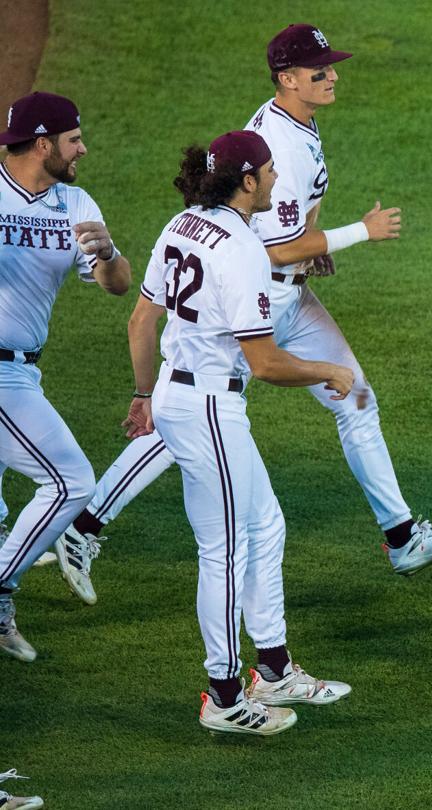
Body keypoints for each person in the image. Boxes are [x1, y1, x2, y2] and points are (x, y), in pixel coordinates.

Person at [52, 23, 432, 604]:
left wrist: (313, 244)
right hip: (257, 294)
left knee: (356, 399)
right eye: (319, 70)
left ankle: (401, 535)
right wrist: (357, 233)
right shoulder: (276, 145)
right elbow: (271, 249)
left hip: (289, 291)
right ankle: (84, 527)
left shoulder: (296, 124)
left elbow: (289, 229)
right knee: (189, 413)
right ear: (287, 79)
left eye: (330, 66)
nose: (333, 75)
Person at [127, 130, 352, 734]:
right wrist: (330, 369)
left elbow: (141, 322)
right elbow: (266, 363)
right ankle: (224, 697)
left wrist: (144, 395)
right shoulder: (242, 248)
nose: (278, 179)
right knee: (223, 551)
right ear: (246, 180)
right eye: (270, 171)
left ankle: (273, 667)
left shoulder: (181, 226)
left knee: (265, 523)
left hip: (182, 394)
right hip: (207, 407)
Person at [0, 91, 131, 662]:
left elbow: (119, 284)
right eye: (74, 139)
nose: (83, 147)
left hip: (23, 371)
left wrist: (106, 256)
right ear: (43, 142)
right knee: (73, 482)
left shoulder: (75, 203)